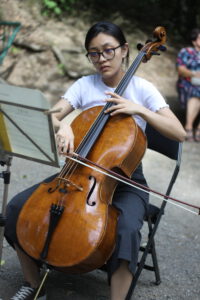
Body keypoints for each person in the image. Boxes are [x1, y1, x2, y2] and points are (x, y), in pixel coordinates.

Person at [5, 21, 186, 300]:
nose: (101, 59)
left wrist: (140, 110)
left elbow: (179, 133)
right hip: (77, 171)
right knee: (18, 207)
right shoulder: (84, 85)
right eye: (93, 53)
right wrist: (63, 126)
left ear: (124, 50)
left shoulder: (143, 89)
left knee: (125, 230)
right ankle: (32, 284)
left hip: (124, 178)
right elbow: (51, 115)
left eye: (108, 51)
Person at [176, 28, 200, 142]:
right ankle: (189, 126)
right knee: (196, 92)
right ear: (194, 40)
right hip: (188, 82)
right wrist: (195, 74)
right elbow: (181, 70)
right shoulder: (186, 51)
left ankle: (199, 128)